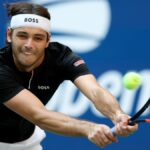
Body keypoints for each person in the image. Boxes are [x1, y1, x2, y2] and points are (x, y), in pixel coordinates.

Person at [0, 2, 137, 150]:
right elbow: (39, 115)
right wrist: (88, 128)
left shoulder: (61, 56)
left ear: (47, 41)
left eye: (38, 38)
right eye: (22, 35)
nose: (29, 44)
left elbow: (94, 91)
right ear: (9, 35)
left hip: (27, 142)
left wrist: (118, 115)